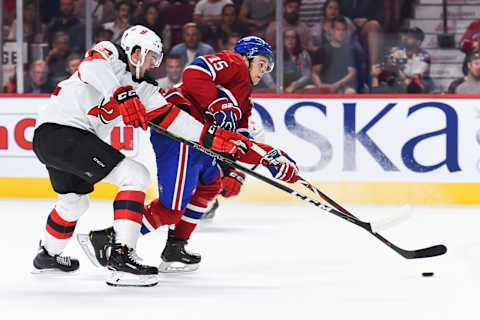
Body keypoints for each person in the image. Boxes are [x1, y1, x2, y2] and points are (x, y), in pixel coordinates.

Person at [31, 25, 251, 287]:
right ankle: (121, 259)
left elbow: (175, 120)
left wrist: (213, 138)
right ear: (136, 52)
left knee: (74, 202)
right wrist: (121, 93)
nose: (153, 65)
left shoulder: (145, 90)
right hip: (59, 131)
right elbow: (91, 68)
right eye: (152, 58)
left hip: (56, 141)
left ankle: (47, 255)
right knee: (135, 175)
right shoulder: (110, 53)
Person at [80, 36, 300, 273]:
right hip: (181, 131)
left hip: (200, 138)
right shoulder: (234, 62)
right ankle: (108, 239)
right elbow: (194, 72)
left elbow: (242, 143)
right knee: (170, 210)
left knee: (210, 184)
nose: (264, 70)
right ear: (247, 57)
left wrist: (272, 158)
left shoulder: (244, 99)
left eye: (268, 67)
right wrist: (216, 104)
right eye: (262, 63)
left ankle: (176, 246)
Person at [311, 16, 357, 94]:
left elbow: (352, 73)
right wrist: (320, 85)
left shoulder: (350, 50)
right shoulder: (323, 50)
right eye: (338, 30)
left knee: (350, 92)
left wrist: (336, 85)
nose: (341, 33)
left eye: (344, 30)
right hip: (325, 86)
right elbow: (315, 73)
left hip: (343, 86)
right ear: (332, 31)